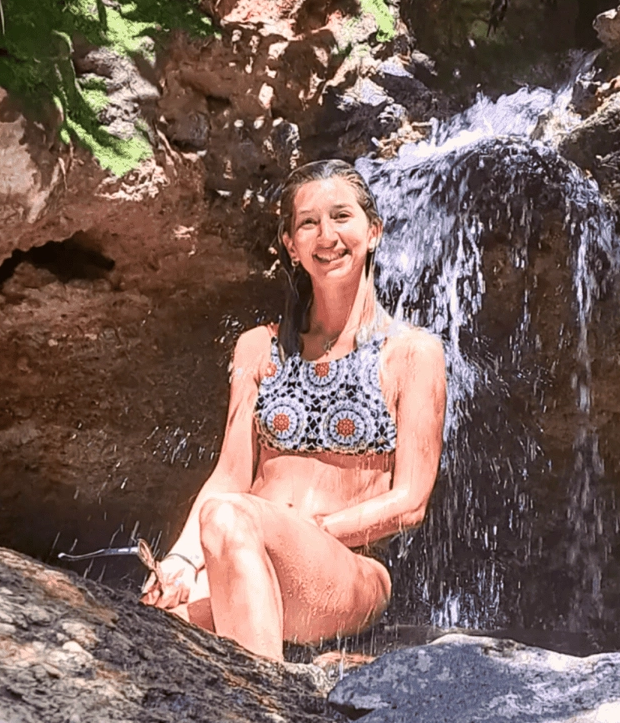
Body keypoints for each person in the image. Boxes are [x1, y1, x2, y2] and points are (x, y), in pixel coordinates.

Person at [140, 159, 447, 661]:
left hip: (345, 569)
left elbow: (410, 501)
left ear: (373, 231)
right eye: (308, 223)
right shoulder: (258, 348)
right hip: (241, 544)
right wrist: (181, 559)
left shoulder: (413, 354)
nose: (327, 236)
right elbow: (230, 476)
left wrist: (313, 529)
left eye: (341, 216)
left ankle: (264, 697)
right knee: (153, 624)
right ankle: (266, 677)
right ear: (290, 244)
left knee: (231, 517)